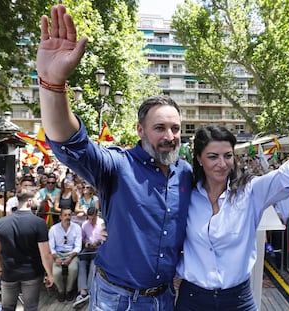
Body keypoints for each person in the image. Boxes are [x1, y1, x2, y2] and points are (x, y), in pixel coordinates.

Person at [37, 5, 193, 310]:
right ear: (141, 131)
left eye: (175, 128)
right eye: (159, 127)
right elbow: (70, 142)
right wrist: (52, 85)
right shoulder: (117, 165)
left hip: (163, 299)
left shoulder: (186, 172)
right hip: (114, 299)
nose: (169, 136)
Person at [175, 119, 289, 311]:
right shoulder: (184, 195)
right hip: (193, 300)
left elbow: (288, 175)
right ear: (199, 158)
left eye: (228, 155)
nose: (222, 164)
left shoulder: (250, 192)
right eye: (213, 157)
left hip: (238, 300)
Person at [0, 177, 54, 311]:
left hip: (8, 273)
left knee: (7, 307)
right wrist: (50, 274)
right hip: (31, 274)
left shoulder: (1, 222)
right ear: (29, 202)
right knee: (31, 308)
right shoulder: (39, 223)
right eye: (36, 199)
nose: (39, 202)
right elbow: (46, 254)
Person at [48, 207, 82, 302]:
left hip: (71, 253)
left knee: (73, 269)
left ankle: (69, 290)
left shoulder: (77, 228)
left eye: (69, 215)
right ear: (60, 217)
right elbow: (51, 246)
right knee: (56, 272)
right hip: (57, 254)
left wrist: (70, 257)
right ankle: (60, 291)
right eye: (65, 215)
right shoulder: (53, 229)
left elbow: (78, 246)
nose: (67, 217)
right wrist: (56, 258)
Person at [73, 206, 104, 308]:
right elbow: (83, 238)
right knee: (81, 263)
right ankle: (83, 292)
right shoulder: (85, 224)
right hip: (88, 249)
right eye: (89, 218)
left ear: (97, 215)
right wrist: (86, 243)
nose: (91, 221)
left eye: (93, 218)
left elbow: (106, 238)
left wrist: (98, 242)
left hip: (99, 249)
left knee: (92, 265)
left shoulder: (102, 223)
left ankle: (90, 291)